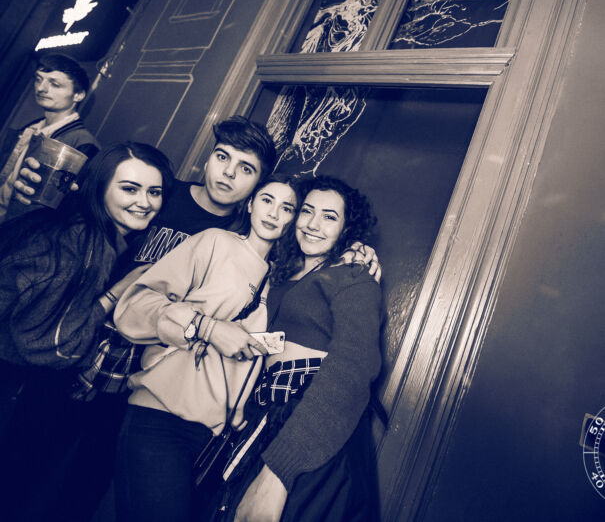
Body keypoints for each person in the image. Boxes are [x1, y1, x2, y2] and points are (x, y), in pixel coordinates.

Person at [112, 173, 303, 522]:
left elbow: (262, 346)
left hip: (216, 437)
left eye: (287, 207)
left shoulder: (283, 279)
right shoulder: (215, 242)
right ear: (250, 204)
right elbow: (136, 304)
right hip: (162, 416)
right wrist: (208, 328)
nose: (274, 213)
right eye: (267, 200)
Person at [0, 142, 173, 522]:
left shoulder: (107, 238)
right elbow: (59, 345)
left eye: (154, 191)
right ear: (100, 188)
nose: (144, 202)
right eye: (130, 188)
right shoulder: (80, 243)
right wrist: (118, 291)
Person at [214, 175, 383, 522]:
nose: (313, 224)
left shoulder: (352, 275)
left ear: (347, 228)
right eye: (307, 211)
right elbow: (281, 341)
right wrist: (220, 335)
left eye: (329, 217)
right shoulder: (281, 276)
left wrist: (281, 471)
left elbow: (355, 364)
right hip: (267, 411)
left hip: (313, 414)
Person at [0, 53, 100, 222]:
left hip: (20, 228)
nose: (41, 88)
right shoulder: (30, 128)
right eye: (38, 79)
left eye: (55, 84)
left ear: (78, 95)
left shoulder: (82, 143)